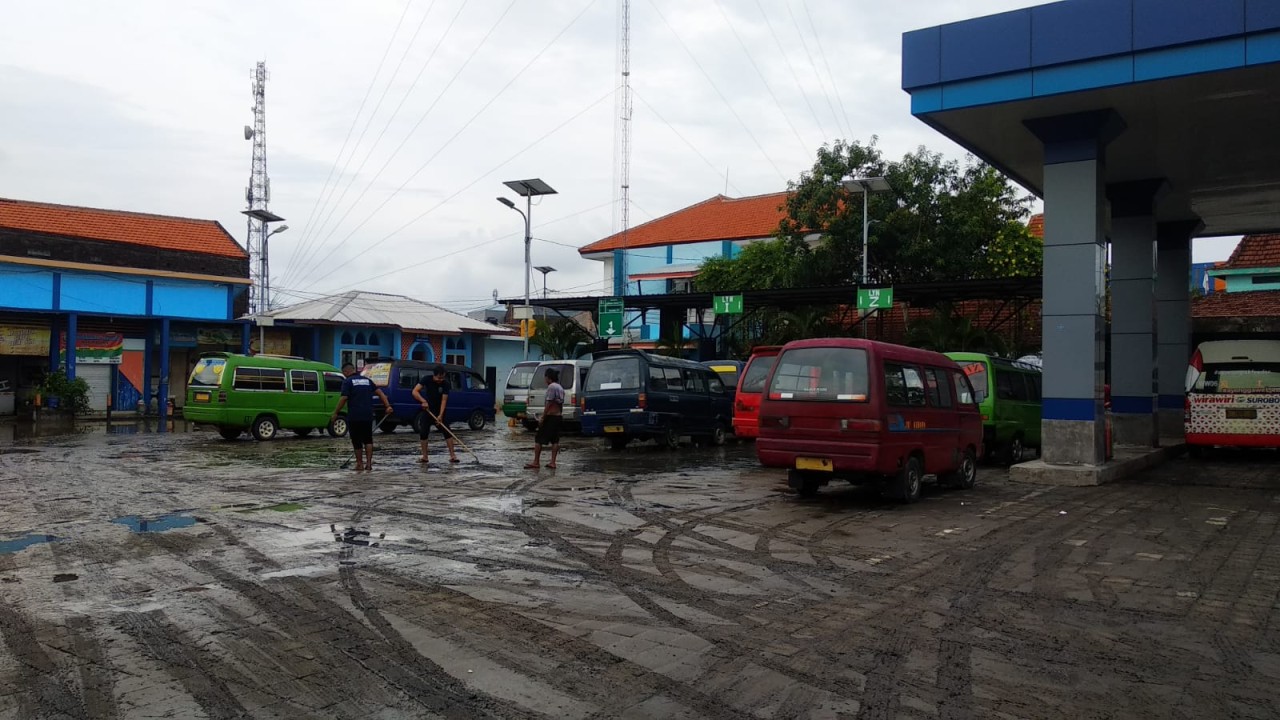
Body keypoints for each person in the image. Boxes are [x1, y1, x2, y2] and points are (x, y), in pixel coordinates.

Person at [332, 363, 391, 472]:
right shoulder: (367, 380)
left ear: (345, 372)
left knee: (356, 440)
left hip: (355, 415)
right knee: (368, 439)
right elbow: (380, 393)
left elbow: (344, 398)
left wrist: (336, 412)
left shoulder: (347, 382)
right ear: (354, 370)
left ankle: (359, 464)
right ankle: (368, 464)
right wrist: (387, 406)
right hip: (368, 415)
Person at [412, 365, 458, 464]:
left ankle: (453, 456)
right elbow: (415, 391)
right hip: (428, 410)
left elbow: (444, 400)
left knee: (447, 432)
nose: (440, 380)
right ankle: (425, 457)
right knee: (423, 432)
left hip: (440, 411)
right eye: (438, 378)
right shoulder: (426, 379)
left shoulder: (445, 384)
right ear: (434, 375)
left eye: (442, 378)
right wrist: (423, 401)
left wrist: (440, 415)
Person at [526, 367, 564, 469]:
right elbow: (560, 404)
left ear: (548, 377)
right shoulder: (560, 387)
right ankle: (553, 462)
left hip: (551, 416)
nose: (545, 380)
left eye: (545, 377)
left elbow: (549, 403)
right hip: (558, 416)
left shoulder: (552, 387)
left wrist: (543, 417)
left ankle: (536, 462)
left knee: (538, 439)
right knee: (555, 440)